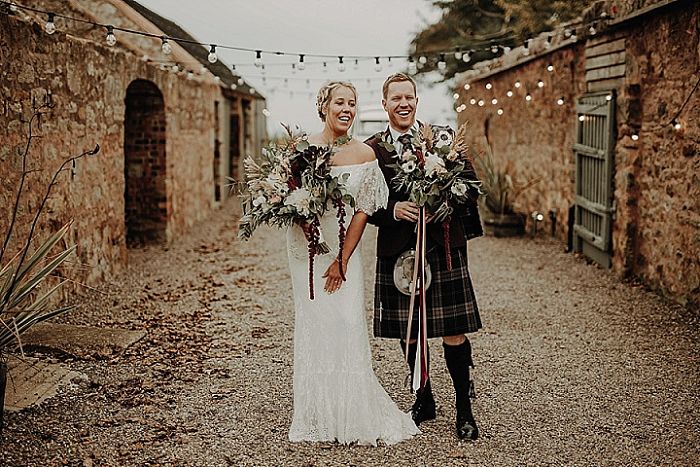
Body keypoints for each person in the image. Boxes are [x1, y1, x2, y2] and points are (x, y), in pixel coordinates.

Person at [286, 81, 419, 445]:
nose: (346, 109)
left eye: (352, 103)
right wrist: (308, 230)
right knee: (314, 321)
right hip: (306, 249)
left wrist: (341, 259)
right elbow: (290, 197)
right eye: (339, 102)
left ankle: (351, 412)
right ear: (323, 106)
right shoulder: (303, 149)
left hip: (343, 249)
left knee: (345, 321)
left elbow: (363, 210)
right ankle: (319, 414)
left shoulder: (364, 154)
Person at [365, 73, 483, 440]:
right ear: (384, 104)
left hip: (442, 246)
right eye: (396, 98)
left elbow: (470, 188)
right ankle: (424, 397)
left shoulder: (442, 139)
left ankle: (464, 411)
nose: (403, 104)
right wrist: (393, 208)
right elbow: (363, 202)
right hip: (400, 249)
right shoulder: (373, 148)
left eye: (409, 97)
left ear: (417, 101)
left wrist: (444, 205)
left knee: (452, 330)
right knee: (410, 331)